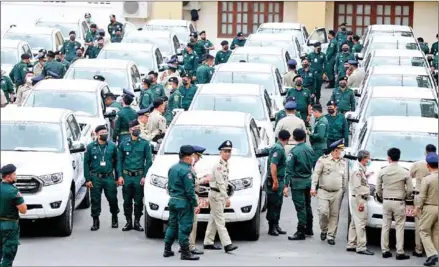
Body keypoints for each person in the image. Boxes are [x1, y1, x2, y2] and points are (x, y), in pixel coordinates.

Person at [163, 145, 200, 260]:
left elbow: (169, 186)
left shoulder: (173, 168)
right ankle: (185, 252)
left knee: (172, 225)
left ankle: (167, 249)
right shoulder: (186, 171)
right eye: (192, 156)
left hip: (173, 200)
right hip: (184, 203)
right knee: (185, 227)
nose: (193, 158)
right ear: (187, 157)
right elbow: (190, 191)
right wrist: (195, 204)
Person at [376, 147, 413, 260]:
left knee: (385, 225)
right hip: (399, 202)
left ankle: (385, 250)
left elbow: (378, 188)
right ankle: (399, 252)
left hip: (386, 201)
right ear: (399, 157)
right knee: (400, 226)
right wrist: (405, 196)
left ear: (389, 158)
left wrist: (382, 196)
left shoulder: (382, 171)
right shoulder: (405, 172)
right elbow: (410, 189)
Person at [117, 120, 153, 232]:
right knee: (127, 201)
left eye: (138, 127)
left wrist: (145, 176)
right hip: (127, 176)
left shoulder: (145, 143)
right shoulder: (123, 143)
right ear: (130, 130)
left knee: (138, 201)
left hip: (139, 176)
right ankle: (128, 222)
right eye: (134, 128)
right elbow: (119, 160)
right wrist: (120, 176)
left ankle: (137, 222)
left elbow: (149, 160)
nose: (137, 129)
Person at [203, 140, 238, 253]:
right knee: (220, 220)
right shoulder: (218, 165)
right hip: (216, 194)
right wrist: (226, 197)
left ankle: (208, 242)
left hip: (219, 195)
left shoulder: (225, 164)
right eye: (225, 151)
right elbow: (220, 183)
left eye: (229, 151)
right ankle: (227, 244)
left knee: (213, 218)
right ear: (220, 152)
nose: (227, 153)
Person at [311, 139, 346, 245]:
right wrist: (313, 188)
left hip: (337, 192)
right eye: (341, 150)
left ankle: (331, 235)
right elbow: (316, 174)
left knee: (334, 214)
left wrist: (343, 189)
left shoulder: (343, 162)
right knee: (323, 212)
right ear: (335, 150)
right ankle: (324, 229)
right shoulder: (323, 160)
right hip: (323, 191)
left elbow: (344, 177)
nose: (342, 152)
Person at [84, 125, 119, 231]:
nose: (104, 133)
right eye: (102, 132)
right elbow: (86, 163)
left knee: (113, 199)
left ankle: (114, 217)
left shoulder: (112, 146)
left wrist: (117, 178)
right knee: (95, 200)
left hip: (109, 177)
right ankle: (95, 221)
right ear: (97, 134)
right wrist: (88, 179)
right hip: (95, 178)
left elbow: (117, 162)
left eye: (106, 131)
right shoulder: (90, 147)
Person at [285, 129, 315, 240]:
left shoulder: (294, 151)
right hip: (308, 180)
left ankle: (301, 230)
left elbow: (289, 170)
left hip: (297, 182)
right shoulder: (310, 149)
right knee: (307, 205)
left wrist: (285, 186)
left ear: (295, 137)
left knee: (300, 207)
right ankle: (309, 228)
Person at [410, 144, 437, 257]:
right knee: (435, 230)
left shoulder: (418, 164)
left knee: (421, 226)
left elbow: (409, 177)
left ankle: (419, 249)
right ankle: (433, 251)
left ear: (425, 152)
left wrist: (417, 208)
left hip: (421, 197)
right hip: (436, 200)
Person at [346, 150, 374, 255]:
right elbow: (357, 187)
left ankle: (351, 243)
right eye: (368, 158)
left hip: (357, 198)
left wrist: (366, 176)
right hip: (359, 198)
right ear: (363, 159)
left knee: (354, 222)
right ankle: (361, 246)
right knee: (361, 223)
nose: (369, 160)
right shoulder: (357, 170)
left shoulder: (360, 169)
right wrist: (360, 203)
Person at [0, 164, 27, 267]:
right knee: (8, 255)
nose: (16, 176)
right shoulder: (13, 191)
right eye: (14, 174)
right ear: (8, 177)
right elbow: (23, 210)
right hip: (9, 226)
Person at [266, 130, 290, 236]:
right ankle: (272, 227)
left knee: (278, 203)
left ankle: (276, 224)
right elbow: (273, 165)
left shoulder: (277, 147)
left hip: (278, 179)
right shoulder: (279, 149)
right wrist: (275, 181)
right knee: (274, 204)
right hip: (274, 180)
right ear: (287, 139)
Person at [187, 145, 209, 255]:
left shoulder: (186, 166)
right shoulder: (189, 167)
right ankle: (190, 246)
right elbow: (191, 184)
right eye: (198, 156)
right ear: (193, 155)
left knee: (184, 223)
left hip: (184, 198)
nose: (199, 159)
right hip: (190, 197)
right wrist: (203, 180)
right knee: (192, 223)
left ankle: (184, 245)